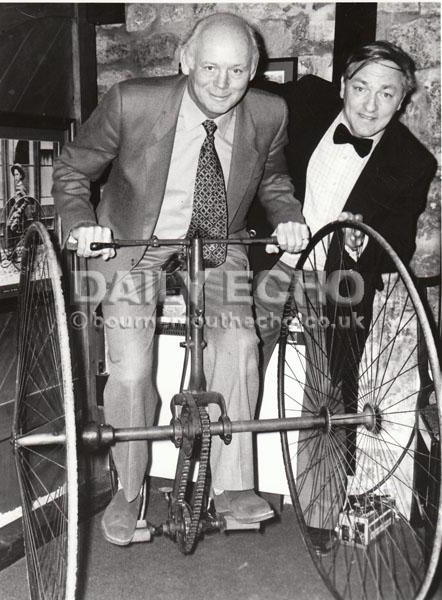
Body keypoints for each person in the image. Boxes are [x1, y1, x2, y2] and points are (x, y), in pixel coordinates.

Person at [53, 12, 308, 546]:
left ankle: (233, 486)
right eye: (209, 67)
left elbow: (275, 177)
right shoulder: (133, 101)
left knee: (239, 344)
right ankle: (130, 489)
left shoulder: (269, 112)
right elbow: (73, 168)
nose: (222, 84)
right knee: (129, 369)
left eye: (237, 71)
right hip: (132, 242)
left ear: (254, 69)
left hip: (219, 246)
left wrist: (287, 214)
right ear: (185, 60)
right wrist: (80, 223)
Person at [254, 41, 437, 554]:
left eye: (386, 94)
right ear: (342, 87)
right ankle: (216, 487)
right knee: (236, 361)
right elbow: (240, 89)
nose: (369, 105)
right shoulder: (307, 102)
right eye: (360, 89)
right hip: (272, 263)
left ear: (402, 101)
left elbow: (396, 243)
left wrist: (362, 243)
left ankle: (319, 510)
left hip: (337, 282)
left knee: (331, 392)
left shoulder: (412, 161)